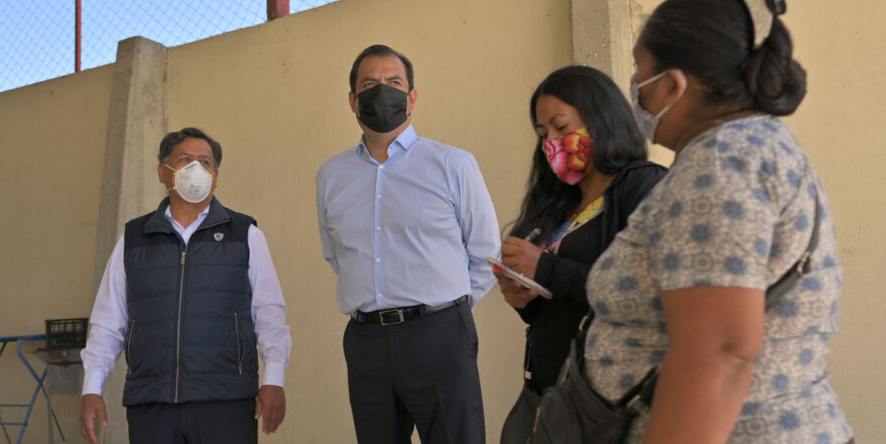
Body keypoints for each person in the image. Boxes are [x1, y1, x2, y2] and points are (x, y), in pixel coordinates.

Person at [583, 0, 854, 442]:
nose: (632, 84)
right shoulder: (749, 148)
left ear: (673, 85)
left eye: (638, 67)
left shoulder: (721, 162)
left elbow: (718, 353)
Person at [316, 44, 500, 444]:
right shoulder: (331, 175)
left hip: (439, 336)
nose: (382, 91)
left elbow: (486, 253)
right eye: (370, 84)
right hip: (366, 343)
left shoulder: (453, 164)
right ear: (353, 100)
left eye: (394, 82)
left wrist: (449, 311)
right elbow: (337, 254)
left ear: (412, 96)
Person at [79, 128, 292, 444]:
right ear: (164, 172)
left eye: (205, 162)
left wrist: (274, 379)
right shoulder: (134, 239)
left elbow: (270, 313)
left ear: (215, 176)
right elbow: (108, 320)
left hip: (226, 401)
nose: (197, 169)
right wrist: (92, 387)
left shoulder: (244, 234)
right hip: (152, 402)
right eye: (185, 160)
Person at [497, 65, 667, 438]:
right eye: (543, 134)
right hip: (547, 397)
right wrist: (525, 299)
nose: (551, 143)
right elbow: (560, 305)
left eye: (561, 127)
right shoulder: (558, 205)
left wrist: (545, 268)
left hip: (604, 410)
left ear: (601, 118)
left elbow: (647, 295)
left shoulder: (642, 185)